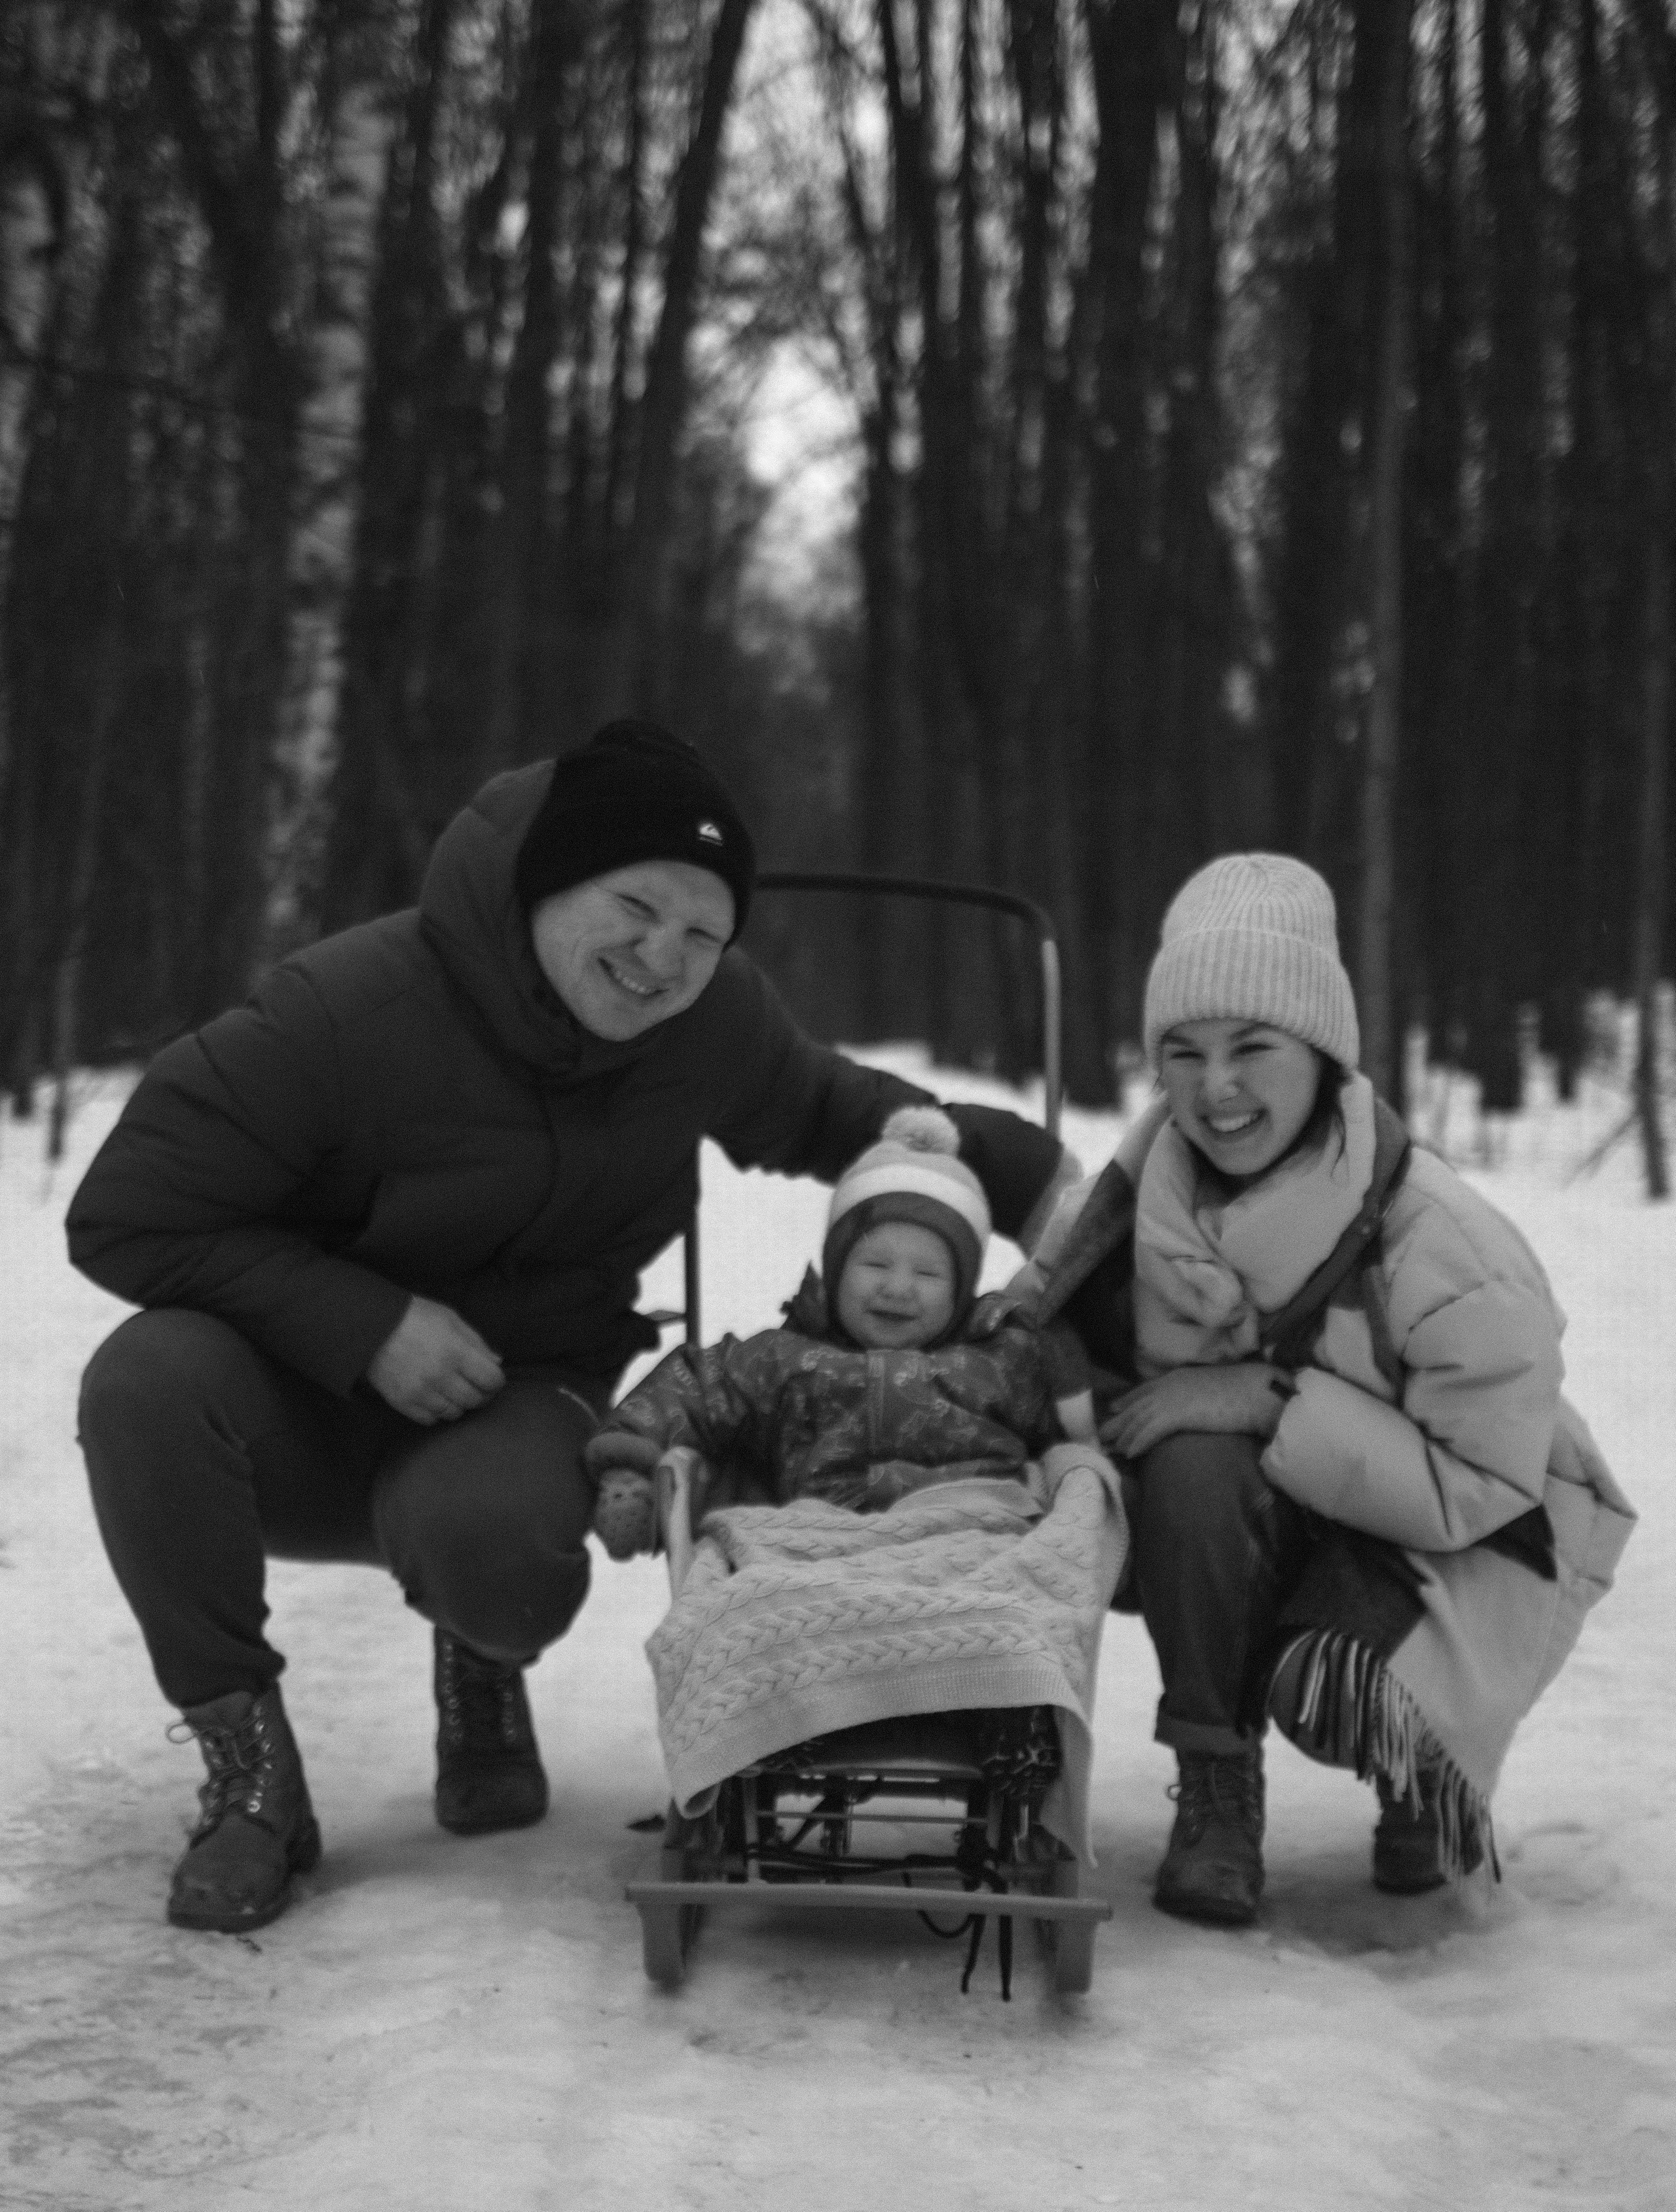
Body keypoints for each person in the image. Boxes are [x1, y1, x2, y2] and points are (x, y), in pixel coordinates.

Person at [66, 720, 1076, 1935]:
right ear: (548, 882)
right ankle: (252, 1776)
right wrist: (365, 1318)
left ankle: (478, 1651)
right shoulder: (343, 1010)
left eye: (705, 933)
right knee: (145, 1380)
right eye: (636, 905)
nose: (665, 956)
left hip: (518, 1386)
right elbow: (123, 1211)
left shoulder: (709, 1025)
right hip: (289, 1394)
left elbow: (843, 1110)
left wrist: (1055, 1195)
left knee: (500, 1558)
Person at [1021, 852, 1635, 1926]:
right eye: (1185, 1051)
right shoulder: (1143, 1186)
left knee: (1332, 1641)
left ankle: (1418, 1761)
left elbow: (1484, 1483)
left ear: (1325, 1054)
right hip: (1259, 1510)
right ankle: (1217, 1785)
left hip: (1468, 1532)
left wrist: (1266, 1395)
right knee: (1188, 1463)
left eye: (1253, 1046)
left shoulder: (1442, 1240)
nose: (1217, 1088)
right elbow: (1034, 1310)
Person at [586, 1105, 1091, 1555]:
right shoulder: (784, 1359)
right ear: (836, 1267)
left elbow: (1080, 1415)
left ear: (961, 1289)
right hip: (822, 1556)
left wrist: (1094, 1477)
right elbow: (693, 1387)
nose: (898, 1288)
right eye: (874, 1264)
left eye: (928, 1273)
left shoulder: (1003, 1358)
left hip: (971, 1550)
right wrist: (632, 1464)